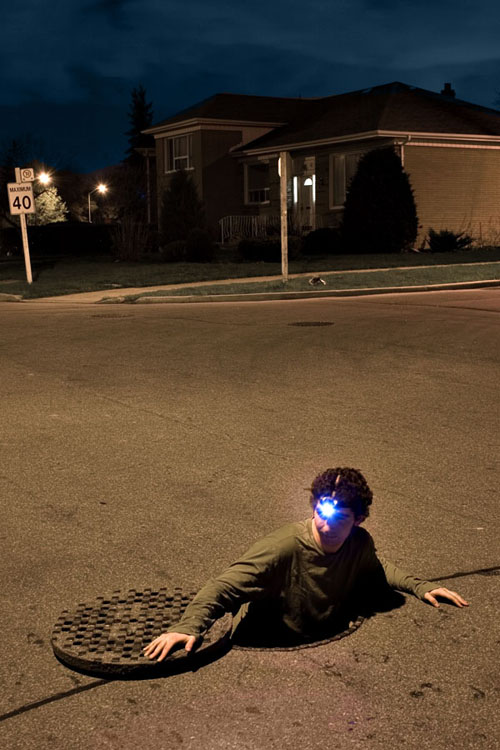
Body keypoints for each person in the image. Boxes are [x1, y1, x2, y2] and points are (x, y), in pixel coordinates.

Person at [144, 467, 468, 662]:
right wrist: (187, 627)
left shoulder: (359, 542)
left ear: (358, 519)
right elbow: (223, 587)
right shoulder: (282, 547)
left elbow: (377, 566)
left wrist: (419, 586)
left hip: (322, 637)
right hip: (269, 640)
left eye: (339, 518)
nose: (325, 525)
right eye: (321, 513)